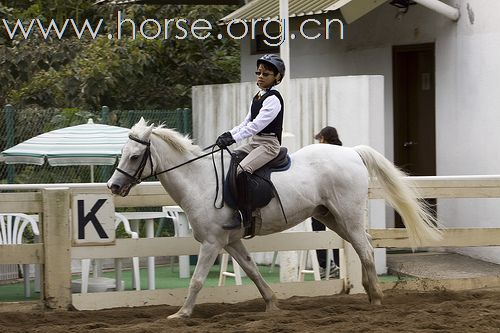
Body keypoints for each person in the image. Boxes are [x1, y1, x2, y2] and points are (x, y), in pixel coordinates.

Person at [215, 54, 285, 230]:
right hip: (255, 142)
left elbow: (255, 126)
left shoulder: (273, 99)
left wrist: (233, 138)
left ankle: (245, 215)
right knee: (229, 160)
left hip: (269, 145)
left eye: (266, 74)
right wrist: (228, 134)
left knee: (242, 170)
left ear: (276, 77)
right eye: (259, 72)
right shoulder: (258, 97)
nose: (260, 76)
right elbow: (246, 123)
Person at [312, 126, 342, 279]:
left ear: (323, 139)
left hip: (323, 199)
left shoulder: (322, 155)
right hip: (339, 200)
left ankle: (324, 266)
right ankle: (340, 264)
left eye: (320, 139)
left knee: (317, 228)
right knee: (340, 230)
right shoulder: (343, 154)